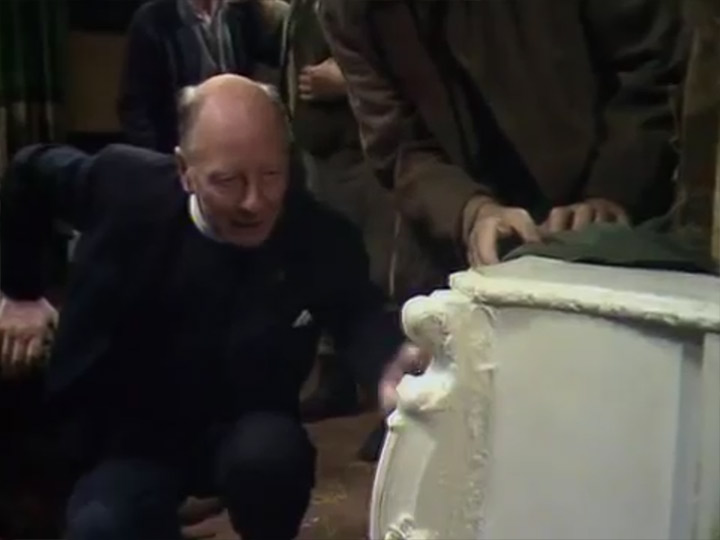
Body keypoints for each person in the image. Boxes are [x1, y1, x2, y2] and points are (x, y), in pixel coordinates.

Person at [0, 74, 406, 540]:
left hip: (242, 428)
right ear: (184, 171)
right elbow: (29, 172)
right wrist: (19, 293)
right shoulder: (124, 184)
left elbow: (359, 313)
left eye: (271, 175)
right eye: (228, 181)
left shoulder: (317, 234)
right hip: (128, 437)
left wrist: (389, 366)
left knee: (271, 458)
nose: (254, 202)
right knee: (103, 526)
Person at [319, 0, 687, 287]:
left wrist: (613, 189)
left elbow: (653, 67)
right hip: (472, 253)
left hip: (626, 233)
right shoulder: (349, 11)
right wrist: (471, 212)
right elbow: (399, 147)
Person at [118, 0, 287, 153]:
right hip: (180, 150)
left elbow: (267, 67)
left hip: (236, 146)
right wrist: (159, 162)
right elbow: (135, 106)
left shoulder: (244, 12)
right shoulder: (153, 20)